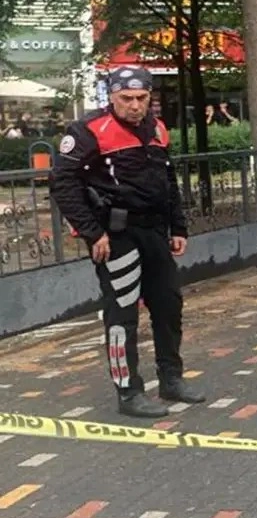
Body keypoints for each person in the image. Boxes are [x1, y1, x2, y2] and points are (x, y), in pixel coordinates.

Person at [49, 66, 206, 418]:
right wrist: (92, 232)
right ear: (112, 96)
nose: (135, 105)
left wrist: (178, 228)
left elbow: (168, 180)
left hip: (155, 233)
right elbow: (62, 183)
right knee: (122, 314)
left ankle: (171, 379)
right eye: (126, 98)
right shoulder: (88, 130)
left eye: (141, 98)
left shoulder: (157, 128)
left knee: (168, 306)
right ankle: (129, 392)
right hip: (115, 236)